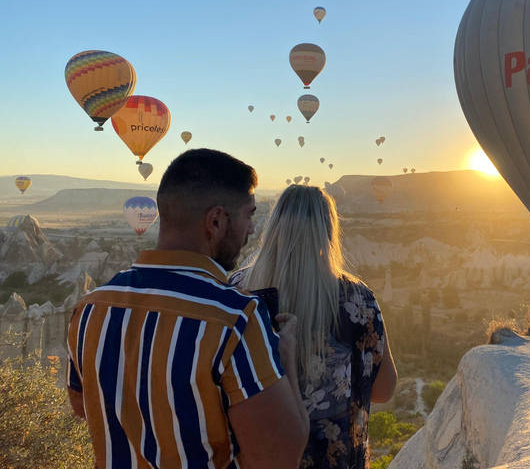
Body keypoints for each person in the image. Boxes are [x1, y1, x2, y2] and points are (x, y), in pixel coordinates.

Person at [66, 149, 309, 469]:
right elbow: (280, 458)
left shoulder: (90, 308)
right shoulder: (235, 317)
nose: (252, 230)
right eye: (249, 216)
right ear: (216, 221)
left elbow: (84, 406)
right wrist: (286, 356)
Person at [234, 184, 398, 469]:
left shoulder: (235, 290)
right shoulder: (355, 300)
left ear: (273, 228)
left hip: (257, 455)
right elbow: (384, 390)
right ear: (328, 231)